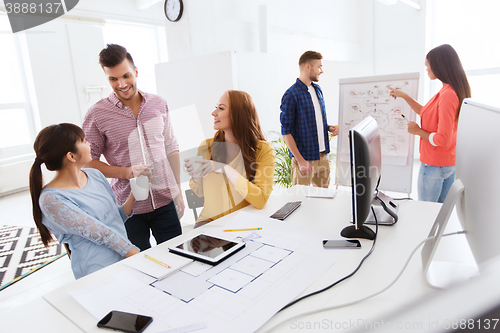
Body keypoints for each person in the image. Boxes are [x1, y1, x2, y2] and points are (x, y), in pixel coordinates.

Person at [82, 44, 184, 251]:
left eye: (126, 76)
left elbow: (171, 147)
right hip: (128, 207)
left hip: (165, 200)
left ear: (136, 72)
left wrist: (178, 190)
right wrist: (126, 172)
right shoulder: (97, 114)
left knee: (177, 256)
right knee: (139, 266)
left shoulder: (159, 104)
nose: (121, 84)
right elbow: (86, 162)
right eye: (113, 79)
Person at [29, 123, 140, 279]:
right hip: (96, 270)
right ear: (71, 156)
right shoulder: (51, 200)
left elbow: (115, 218)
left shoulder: (95, 175)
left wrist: (135, 195)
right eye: (83, 141)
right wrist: (140, 256)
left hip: (125, 259)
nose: (89, 144)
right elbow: (102, 234)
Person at [388, 44, 471, 203]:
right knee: (438, 211)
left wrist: (417, 131)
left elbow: (442, 139)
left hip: (434, 165)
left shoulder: (447, 95)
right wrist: (404, 96)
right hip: (448, 163)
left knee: (425, 212)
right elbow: (426, 112)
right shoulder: (452, 91)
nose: (426, 69)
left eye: (428, 65)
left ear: (439, 65)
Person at [185, 90, 275, 225]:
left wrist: (226, 169)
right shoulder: (207, 146)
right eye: (216, 107)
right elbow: (199, 193)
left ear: (238, 114)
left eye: (221, 108)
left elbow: (260, 199)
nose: (214, 113)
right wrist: (197, 175)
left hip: (245, 222)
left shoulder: (263, 150)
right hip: (210, 223)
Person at [280, 50, 339, 188]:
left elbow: (315, 121)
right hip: (305, 159)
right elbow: (286, 131)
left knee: (324, 199)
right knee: (301, 201)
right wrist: (300, 161)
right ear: (308, 67)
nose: (321, 71)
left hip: (323, 157)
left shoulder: (317, 90)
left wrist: (329, 128)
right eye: (319, 66)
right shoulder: (291, 94)